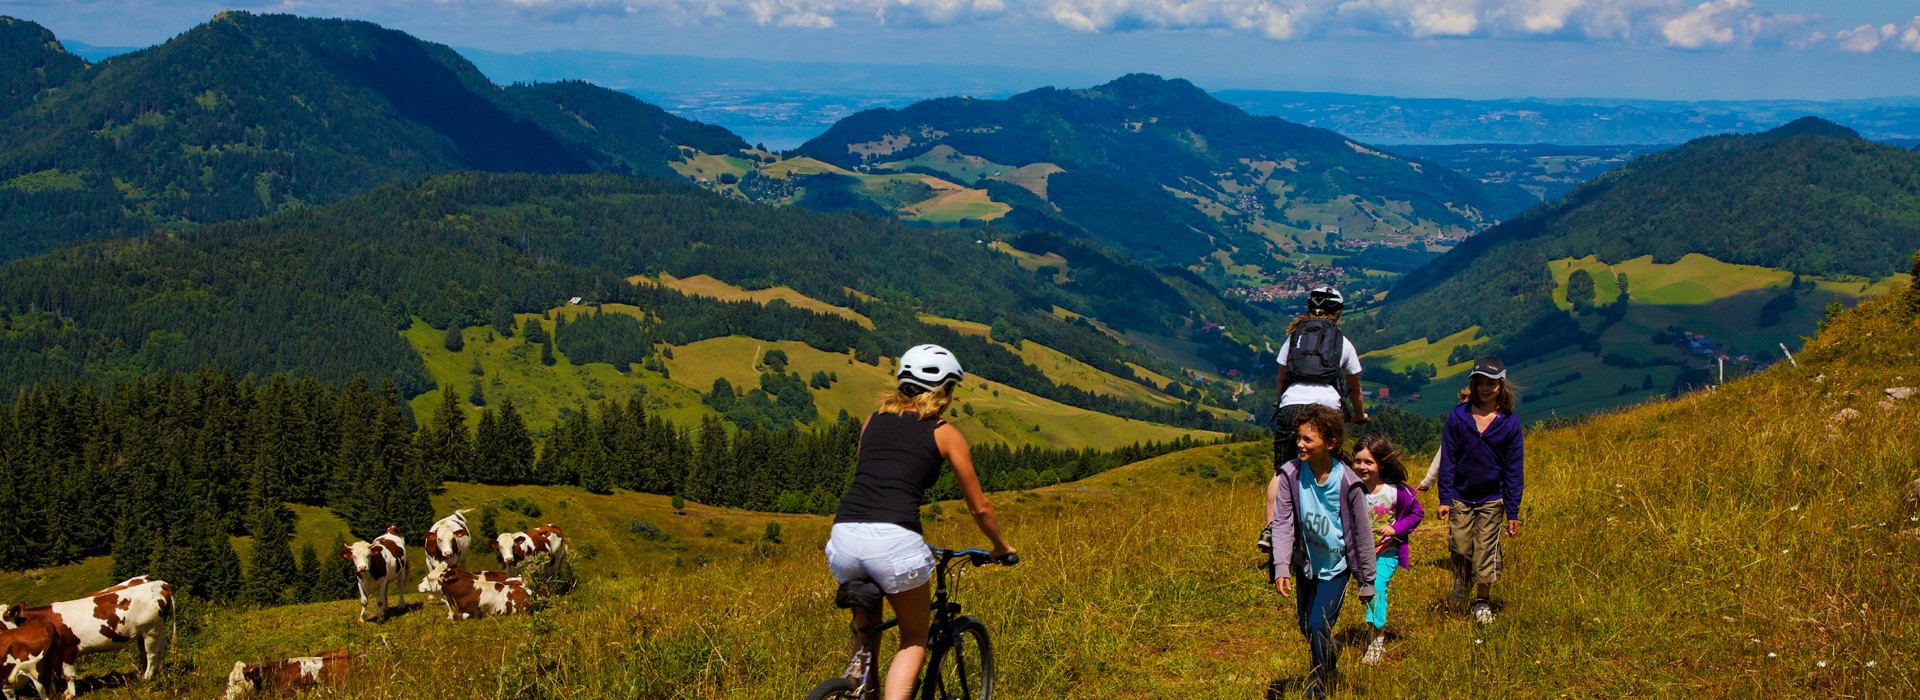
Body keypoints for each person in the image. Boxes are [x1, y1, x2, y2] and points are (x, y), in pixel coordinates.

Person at [825, 344, 1016, 700]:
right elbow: (980, 508)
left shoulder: (871, 422)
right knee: (914, 637)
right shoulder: (944, 433)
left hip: (844, 536)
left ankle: (857, 686)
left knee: (867, 632)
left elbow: (875, 473)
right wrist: (1001, 547)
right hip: (895, 542)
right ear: (944, 389)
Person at [1271, 404, 1376, 699]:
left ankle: (1318, 684)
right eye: (1298, 438)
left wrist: (1367, 580)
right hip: (1307, 565)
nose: (1299, 444)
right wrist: (1281, 566)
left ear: (1330, 444)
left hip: (1336, 568)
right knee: (1307, 626)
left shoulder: (1347, 483)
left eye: (1307, 439)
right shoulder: (1291, 474)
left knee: (1318, 624)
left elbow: (1362, 534)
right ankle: (1330, 650)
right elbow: (1282, 523)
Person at [1261, 286, 1368, 554]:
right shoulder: (1342, 342)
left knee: (1282, 471)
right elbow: (1354, 387)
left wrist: (1282, 401)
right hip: (1326, 409)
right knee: (1328, 473)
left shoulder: (1295, 337)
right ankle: (1327, 530)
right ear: (1338, 313)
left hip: (1291, 403)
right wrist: (1358, 414)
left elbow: (1280, 377)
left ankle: (1272, 530)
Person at [1435, 356, 1524, 625]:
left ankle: (1482, 600)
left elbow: (1514, 469)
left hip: (1492, 498)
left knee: (1485, 550)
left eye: (1492, 383)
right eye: (1480, 383)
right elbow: (1448, 459)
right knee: (1460, 548)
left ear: (1501, 386)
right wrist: (1444, 497)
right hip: (1461, 496)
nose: (1485, 388)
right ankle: (1464, 578)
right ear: (1472, 385)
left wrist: (1512, 509)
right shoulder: (1458, 417)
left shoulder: (1509, 423)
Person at [1350, 435, 1424, 665]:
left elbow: (1417, 513)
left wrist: (1396, 528)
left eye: (1368, 462)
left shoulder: (1395, 491)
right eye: (1358, 461)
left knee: (1377, 590)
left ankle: (1376, 641)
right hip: (1357, 555)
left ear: (1381, 464)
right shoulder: (1350, 488)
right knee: (1364, 593)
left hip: (1387, 552)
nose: (1362, 467)